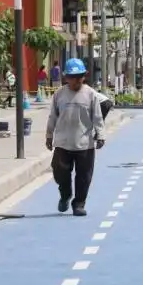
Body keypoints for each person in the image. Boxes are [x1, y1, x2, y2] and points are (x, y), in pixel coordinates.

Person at [45, 58, 105, 217]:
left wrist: (100, 135)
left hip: (84, 143)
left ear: (84, 76)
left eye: (79, 76)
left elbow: (97, 117)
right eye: (72, 77)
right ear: (66, 78)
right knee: (60, 172)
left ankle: (79, 203)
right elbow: (52, 116)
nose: (76, 80)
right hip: (63, 142)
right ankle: (65, 195)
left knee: (84, 177)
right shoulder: (59, 94)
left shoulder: (91, 95)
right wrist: (49, 135)